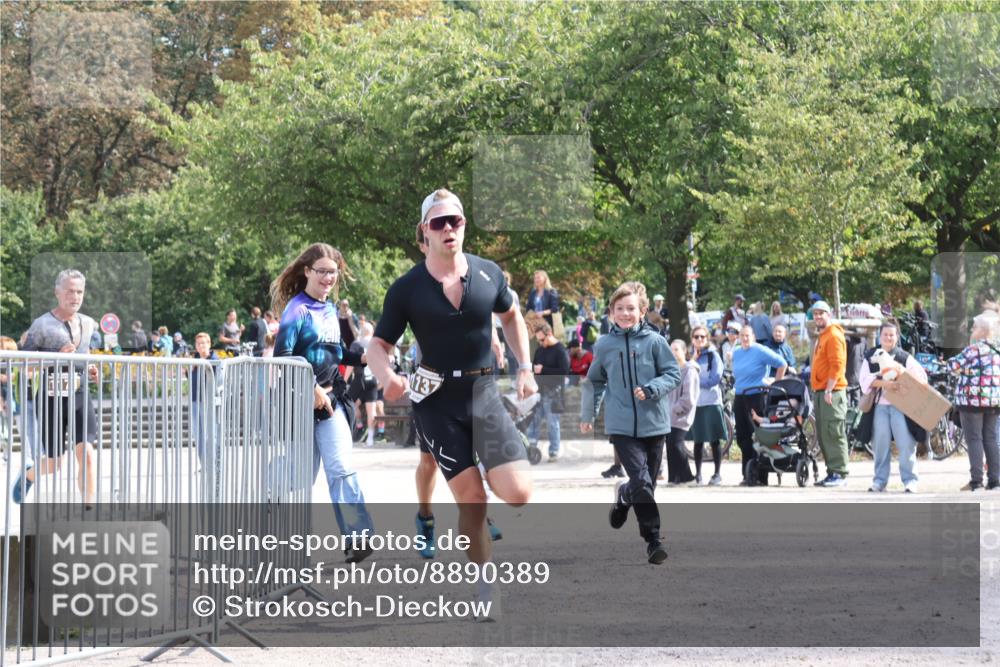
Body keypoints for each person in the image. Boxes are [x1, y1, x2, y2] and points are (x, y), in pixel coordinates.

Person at [366, 188, 535, 617]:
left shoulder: (488, 273)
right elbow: (378, 345)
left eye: (454, 221)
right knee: (472, 500)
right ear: (425, 230)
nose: (448, 229)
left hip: (483, 393)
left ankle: (485, 472)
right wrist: (387, 378)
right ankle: (485, 583)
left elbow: (511, 316)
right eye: (438, 223)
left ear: (463, 226)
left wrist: (525, 367)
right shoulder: (407, 288)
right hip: (436, 401)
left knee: (518, 493)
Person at [271, 243, 374, 563]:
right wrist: (311, 386)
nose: (329, 278)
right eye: (323, 272)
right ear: (307, 272)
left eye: (333, 272)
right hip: (299, 405)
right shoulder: (296, 310)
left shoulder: (329, 310)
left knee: (341, 468)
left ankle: (358, 536)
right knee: (299, 479)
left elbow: (337, 353)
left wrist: (365, 358)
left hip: (332, 403)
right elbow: (282, 357)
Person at [580, 281, 680, 564]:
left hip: (655, 424)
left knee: (645, 486)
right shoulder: (604, 345)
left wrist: (652, 388)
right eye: (620, 308)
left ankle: (624, 495)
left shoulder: (655, 342)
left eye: (631, 308)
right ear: (612, 312)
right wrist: (588, 415)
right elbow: (595, 382)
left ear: (642, 311)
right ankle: (653, 540)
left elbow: (673, 374)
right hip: (621, 426)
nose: (625, 313)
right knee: (642, 481)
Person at [12, 269, 100, 506]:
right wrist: (56, 357)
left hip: (79, 394)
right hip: (50, 398)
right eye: (70, 291)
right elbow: (24, 365)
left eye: (79, 291)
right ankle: (29, 476)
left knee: (88, 455)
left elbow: (85, 355)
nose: (75, 296)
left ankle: (89, 511)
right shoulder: (41, 324)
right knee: (54, 464)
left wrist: (91, 369)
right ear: (57, 293)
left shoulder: (88, 323)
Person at [859, 321, 929, 493]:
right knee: (880, 445)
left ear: (897, 337)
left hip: (901, 407)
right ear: (880, 336)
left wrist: (901, 371)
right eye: (885, 334)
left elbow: (922, 378)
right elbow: (864, 380)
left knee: (906, 444)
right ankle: (879, 481)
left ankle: (910, 480)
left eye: (892, 335)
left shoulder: (904, 357)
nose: (888, 338)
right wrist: (885, 384)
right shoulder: (871, 356)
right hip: (879, 407)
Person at [948, 311, 1000, 491]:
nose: (971, 329)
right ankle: (995, 480)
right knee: (991, 439)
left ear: (982, 330)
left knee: (974, 439)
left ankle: (976, 480)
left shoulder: (973, 350)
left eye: (974, 327)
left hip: (972, 401)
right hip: (993, 401)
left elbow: (952, 366)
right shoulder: (997, 350)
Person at [731, 325, 787, 485]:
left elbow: (782, 364)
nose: (745, 338)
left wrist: (775, 385)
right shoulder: (737, 352)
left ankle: (761, 476)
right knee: (742, 437)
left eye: (747, 335)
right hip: (740, 396)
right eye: (742, 335)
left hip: (756, 396)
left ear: (753, 336)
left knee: (759, 436)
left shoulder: (760, 350)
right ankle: (747, 474)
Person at [810, 300, 850, 487]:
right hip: (822, 392)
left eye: (821, 313)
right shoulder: (823, 334)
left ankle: (840, 474)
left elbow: (837, 365)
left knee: (834, 433)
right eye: (815, 314)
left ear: (829, 314)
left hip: (831, 392)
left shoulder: (833, 335)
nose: (818, 316)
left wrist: (829, 389)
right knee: (824, 434)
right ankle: (832, 472)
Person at [689, 325, 726, 486]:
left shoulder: (713, 356)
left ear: (707, 338)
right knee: (697, 441)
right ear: (692, 339)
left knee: (714, 440)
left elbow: (714, 379)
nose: (699, 339)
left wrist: (696, 382)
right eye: (696, 336)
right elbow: (684, 376)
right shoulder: (691, 357)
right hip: (695, 403)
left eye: (702, 336)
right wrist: (692, 360)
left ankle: (717, 474)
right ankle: (698, 475)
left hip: (711, 402)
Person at [529, 322, 570, 462]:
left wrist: (543, 369)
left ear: (550, 334)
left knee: (553, 424)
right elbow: (534, 367)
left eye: (542, 339)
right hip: (538, 392)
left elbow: (564, 372)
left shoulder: (560, 350)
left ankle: (553, 452)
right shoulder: (539, 350)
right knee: (533, 422)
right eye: (538, 340)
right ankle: (531, 450)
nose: (540, 343)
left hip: (554, 393)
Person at [664, 339, 699, 485]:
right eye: (671, 349)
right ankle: (674, 478)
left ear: (684, 351)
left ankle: (688, 477)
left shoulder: (690, 370)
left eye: (676, 349)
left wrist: (675, 409)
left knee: (677, 445)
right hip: (668, 416)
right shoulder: (671, 370)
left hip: (681, 416)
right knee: (670, 446)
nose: (673, 353)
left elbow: (689, 397)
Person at [347, 321, 380, 448]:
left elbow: (351, 364)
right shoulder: (375, 344)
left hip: (360, 378)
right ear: (371, 332)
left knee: (347, 403)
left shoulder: (357, 343)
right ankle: (370, 438)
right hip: (373, 379)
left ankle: (354, 429)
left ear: (362, 331)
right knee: (371, 411)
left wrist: (344, 379)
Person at [190, 332, 219, 470]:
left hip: (208, 401)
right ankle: (204, 464)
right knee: (198, 434)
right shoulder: (194, 360)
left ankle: (212, 463)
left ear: (209, 344)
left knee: (209, 434)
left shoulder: (214, 360)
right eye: (198, 344)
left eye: (203, 343)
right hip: (195, 400)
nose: (201, 346)